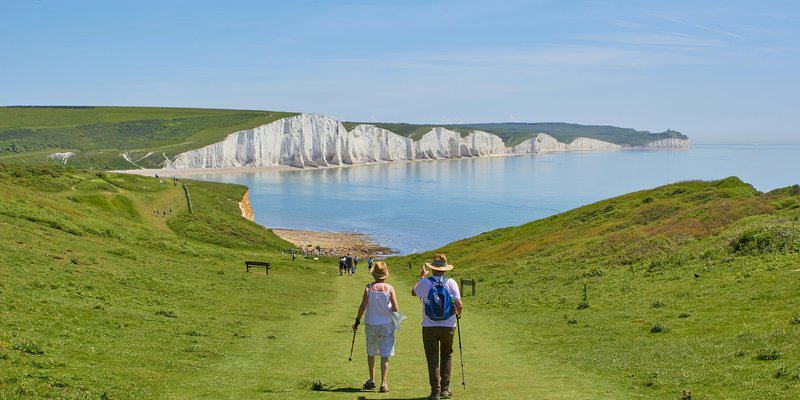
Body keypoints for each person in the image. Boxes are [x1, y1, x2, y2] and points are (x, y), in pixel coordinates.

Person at [411, 254, 463, 400]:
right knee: (447, 356)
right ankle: (445, 390)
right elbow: (459, 305)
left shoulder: (425, 282)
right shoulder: (451, 282)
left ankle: (435, 392)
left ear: (432, 268)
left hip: (429, 326)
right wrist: (457, 315)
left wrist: (422, 277)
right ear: (445, 269)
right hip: (448, 326)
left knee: (432, 359)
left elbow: (413, 292)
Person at [353, 262, 400, 393]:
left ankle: (372, 380)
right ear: (385, 275)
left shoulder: (368, 287)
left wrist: (357, 321)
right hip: (386, 324)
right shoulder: (390, 288)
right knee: (385, 354)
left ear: (374, 274)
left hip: (371, 324)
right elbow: (396, 308)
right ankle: (384, 384)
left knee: (371, 352)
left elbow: (363, 306)